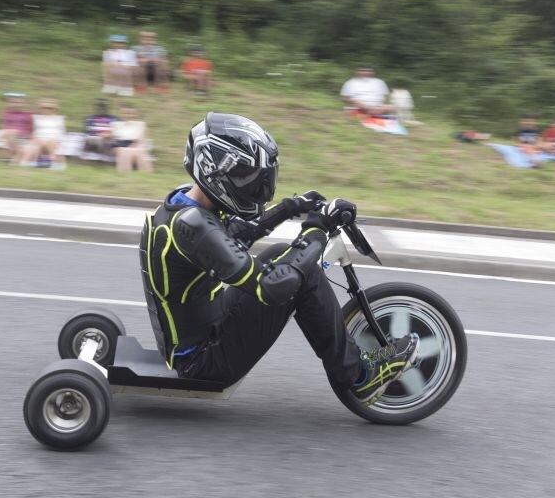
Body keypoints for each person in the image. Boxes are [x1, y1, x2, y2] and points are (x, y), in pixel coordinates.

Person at [139, 112, 421, 405]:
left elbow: (233, 237)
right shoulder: (194, 225)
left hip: (202, 331)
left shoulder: (185, 205)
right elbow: (271, 288)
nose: (257, 189)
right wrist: (315, 230)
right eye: (248, 178)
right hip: (203, 362)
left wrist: (289, 207)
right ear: (219, 173)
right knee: (301, 273)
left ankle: (352, 363)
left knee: (278, 255)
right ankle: (361, 376)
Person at [24, 98, 67, 169]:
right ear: (40, 108)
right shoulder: (35, 117)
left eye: (49, 108)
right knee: (40, 141)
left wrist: (60, 141)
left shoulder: (60, 118)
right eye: (44, 108)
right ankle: (36, 161)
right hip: (39, 138)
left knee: (51, 141)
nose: (46, 110)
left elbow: (62, 132)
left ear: (54, 109)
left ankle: (51, 160)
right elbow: (32, 130)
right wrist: (33, 138)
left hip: (54, 139)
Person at [111, 105, 152, 172]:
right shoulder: (116, 124)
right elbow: (113, 139)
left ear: (135, 114)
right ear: (121, 114)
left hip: (137, 145)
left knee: (137, 150)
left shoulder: (141, 124)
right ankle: (125, 169)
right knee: (125, 150)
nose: (128, 115)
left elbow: (145, 139)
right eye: (126, 113)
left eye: (131, 113)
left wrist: (137, 142)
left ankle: (144, 170)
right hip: (121, 145)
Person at [0, 93, 33, 163]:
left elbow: (31, 127)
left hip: (22, 136)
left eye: (19, 103)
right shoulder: (6, 113)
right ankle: (16, 156)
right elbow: (3, 124)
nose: (17, 104)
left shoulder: (27, 114)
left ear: (24, 104)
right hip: (9, 135)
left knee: (12, 132)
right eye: (14, 102)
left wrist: (30, 136)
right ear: (10, 103)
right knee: (10, 132)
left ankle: (14, 156)